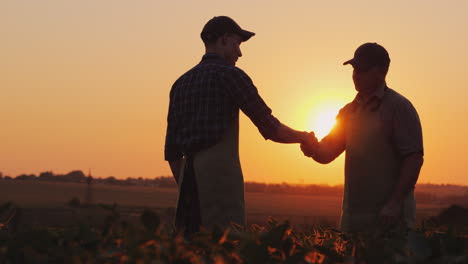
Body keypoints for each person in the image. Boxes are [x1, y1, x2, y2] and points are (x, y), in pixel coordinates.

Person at [165, 16, 310, 233]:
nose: (240, 53)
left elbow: (172, 152)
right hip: (220, 178)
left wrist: (188, 185)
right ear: (224, 40)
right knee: (225, 245)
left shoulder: (180, 84)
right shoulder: (231, 75)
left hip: (187, 182)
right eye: (237, 44)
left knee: (189, 250)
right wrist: (304, 137)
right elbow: (271, 127)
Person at [301, 43, 424, 233]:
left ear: (382, 71)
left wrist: (395, 203)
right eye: (354, 69)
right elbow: (327, 152)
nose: (356, 75)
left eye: (363, 69)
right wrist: (311, 148)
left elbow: (414, 158)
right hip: (353, 221)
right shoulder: (348, 111)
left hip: (390, 221)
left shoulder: (399, 107)